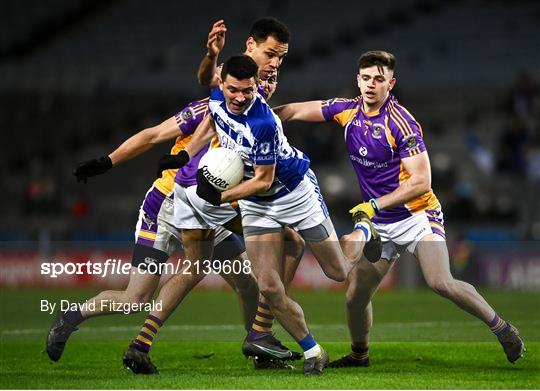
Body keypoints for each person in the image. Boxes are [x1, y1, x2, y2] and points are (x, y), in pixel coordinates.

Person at [46, 18, 304, 374]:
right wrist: (107, 161)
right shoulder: (211, 109)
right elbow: (154, 135)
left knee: (247, 280)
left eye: (275, 73)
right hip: (167, 203)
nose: (271, 76)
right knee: (135, 298)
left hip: (209, 206)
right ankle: (74, 316)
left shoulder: (259, 121)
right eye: (267, 68)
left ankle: (259, 345)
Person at [273, 50, 526, 366]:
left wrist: (374, 204)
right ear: (357, 80)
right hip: (379, 222)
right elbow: (295, 110)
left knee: (440, 282)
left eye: (379, 79)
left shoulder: (403, 124)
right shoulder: (347, 111)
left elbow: (421, 181)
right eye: (366, 78)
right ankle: (359, 355)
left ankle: (502, 328)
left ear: (390, 84)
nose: (371, 85)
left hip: (417, 215)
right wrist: (262, 116)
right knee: (355, 297)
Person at [167, 54, 380, 375]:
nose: (240, 97)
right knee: (267, 285)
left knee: (337, 272)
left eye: (248, 91)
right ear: (222, 84)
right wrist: (186, 154)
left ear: (255, 87)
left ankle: (361, 230)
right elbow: (207, 97)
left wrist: (220, 196)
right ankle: (314, 351)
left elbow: (263, 179)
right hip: (257, 203)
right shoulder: (216, 98)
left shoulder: (263, 123)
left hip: (293, 192)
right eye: (234, 90)